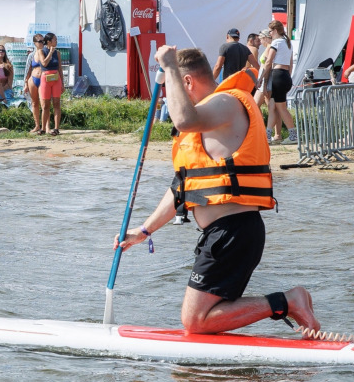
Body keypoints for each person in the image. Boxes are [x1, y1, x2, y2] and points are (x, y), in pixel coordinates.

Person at [113, 45, 320, 335]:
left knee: (195, 321)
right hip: (223, 235)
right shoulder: (208, 120)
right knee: (199, 319)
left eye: (174, 89)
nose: (174, 100)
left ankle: (289, 301)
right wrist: (144, 231)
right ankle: (284, 304)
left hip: (233, 232)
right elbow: (184, 188)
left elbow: (183, 118)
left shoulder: (226, 103)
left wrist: (169, 65)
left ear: (187, 82)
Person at [264, 20, 294, 144]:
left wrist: (262, 79)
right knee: (272, 106)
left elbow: (268, 61)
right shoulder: (288, 43)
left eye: (270, 31)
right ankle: (267, 135)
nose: (270, 34)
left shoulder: (276, 42)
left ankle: (293, 135)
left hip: (278, 75)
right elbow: (291, 63)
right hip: (285, 75)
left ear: (275, 31)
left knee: (281, 108)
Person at [37, 32, 64, 136]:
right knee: (45, 105)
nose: (56, 42)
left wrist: (62, 83)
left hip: (56, 78)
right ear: (49, 41)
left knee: (57, 103)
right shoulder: (41, 51)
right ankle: (43, 128)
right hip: (45, 78)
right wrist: (50, 53)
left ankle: (56, 128)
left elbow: (60, 68)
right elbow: (44, 63)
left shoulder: (57, 53)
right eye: (55, 40)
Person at [23, 33, 46, 133]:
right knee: (34, 102)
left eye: (43, 41)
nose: (42, 43)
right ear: (35, 43)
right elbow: (27, 70)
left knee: (44, 103)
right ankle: (37, 125)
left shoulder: (46, 52)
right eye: (40, 41)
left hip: (43, 78)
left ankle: (45, 126)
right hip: (33, 79)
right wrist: (25, 84)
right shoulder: (31, 55)